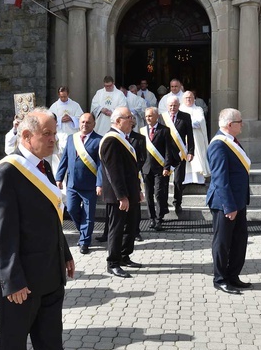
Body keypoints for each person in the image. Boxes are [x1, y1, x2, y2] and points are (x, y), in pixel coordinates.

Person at [0, 108, 96, 350]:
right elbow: (1, 232)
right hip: (21, 281)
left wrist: (66, 252)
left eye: (53, 133)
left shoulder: (43, 167)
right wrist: (12, 280)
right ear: (26, 135)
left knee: (51, 343)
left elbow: (51, 217)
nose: (53, 139)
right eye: (46, 134)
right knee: (14, 346)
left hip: (49, 273)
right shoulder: (8, 171)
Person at [206, 108, 251, 295]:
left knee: (239, 241)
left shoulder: (232, 142)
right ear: (230, 125)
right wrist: (229, 206)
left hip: (238, 201)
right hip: (225, 203)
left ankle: (233, 276)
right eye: (240, 121)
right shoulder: (218, 145)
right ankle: (220, 279)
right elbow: (220, 179)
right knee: (223, 243)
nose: (242, 124)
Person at [99, 107, 143, 278]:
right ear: (117, 121)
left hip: (130, 192)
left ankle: (124, 256)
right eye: (128, 117)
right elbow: (114, 171)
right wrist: (121, 196)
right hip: (119, 195)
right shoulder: (111, 140)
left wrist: (137, 190)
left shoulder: (123, 139)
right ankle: (113, 262)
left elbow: (131, 169)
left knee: (130, 227)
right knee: (116, 228)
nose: (132, 120)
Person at [56, 113, 103, 254]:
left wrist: (99, 184)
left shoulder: (99, 140)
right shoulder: (72, 138)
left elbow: (101, 165)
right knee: (70, 209)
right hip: (72, 184)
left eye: (88, 122)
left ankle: (84, 241)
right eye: (82, 122)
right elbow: (64, 159)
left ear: (94, 124)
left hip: (89, 185)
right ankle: (84, 231)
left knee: (88, 215)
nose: (84, 124)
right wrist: (59, 177)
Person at [141, 107, 176, 232]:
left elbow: (168, 150)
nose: (148, 118)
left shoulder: (164, 130)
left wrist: (167, 166)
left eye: (150, 116)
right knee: (148, 195)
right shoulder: (142, 131)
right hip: (146, 169)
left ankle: (159, 218)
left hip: (159, 168)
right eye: (146, 116)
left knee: (159, 193)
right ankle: (151, 218)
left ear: (156, 116)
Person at [162, 97, 195, 215]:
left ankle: (177, 203)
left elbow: (190, 135)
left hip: (180, 153)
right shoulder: (162, 117)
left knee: (178, 180)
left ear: (179, 105)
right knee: (164, 180)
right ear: (167, 106)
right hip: (166, 154)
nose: (172, 108)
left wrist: (191, 151)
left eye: (175, 106)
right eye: (170, 106)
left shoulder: (185, 117)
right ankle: (163, 204)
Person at [180, 91, 211, 185]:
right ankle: (185, 179)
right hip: (183, 137)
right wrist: (190, 123)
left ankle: (199, 179)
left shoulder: (198, 109)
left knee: (197, 157)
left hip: (197, 138)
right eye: (186, 98)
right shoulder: (180, 109)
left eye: (190, 97)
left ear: (194, 99)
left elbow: (200, 121)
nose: (188, 99)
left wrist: (189, 123)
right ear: (183, 99)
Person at [49, 86, 84, 161]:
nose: (63, 98)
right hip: (60, 134)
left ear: (68, 94)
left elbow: (81, 118)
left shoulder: (75, 105)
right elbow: (50, 119)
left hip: (72, 134)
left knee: (72, 155)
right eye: (61, 97)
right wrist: (60, 119)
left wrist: (71, 118)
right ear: (58, 95)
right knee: (60, 158)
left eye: (65, 96)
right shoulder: (54, 106)